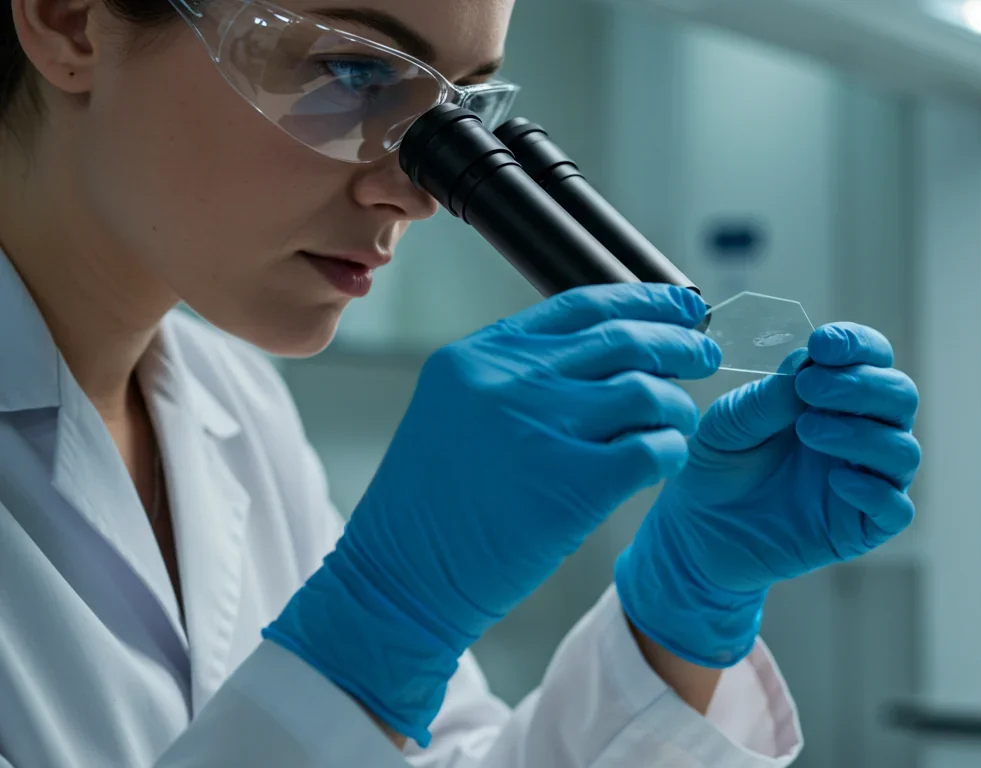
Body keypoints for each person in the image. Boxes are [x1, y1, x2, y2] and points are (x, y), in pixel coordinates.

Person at [0, 0, 923, 765]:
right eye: (352, 73)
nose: (420, 192)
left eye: (461, 115)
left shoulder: (233, 404)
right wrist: (378, 630)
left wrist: (681, 613)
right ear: (72, 21)